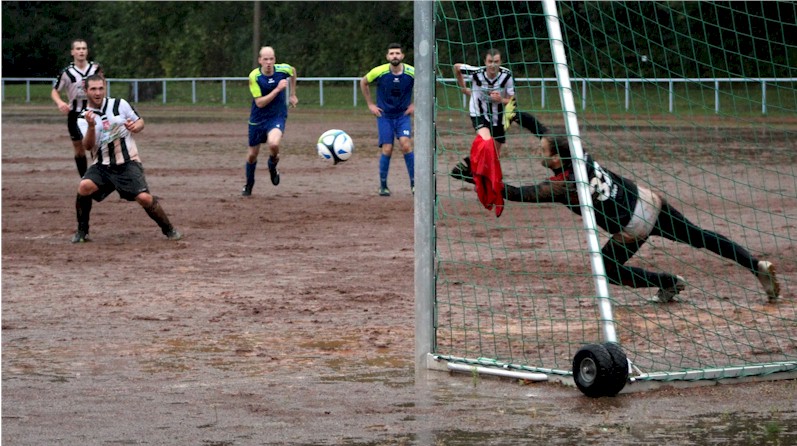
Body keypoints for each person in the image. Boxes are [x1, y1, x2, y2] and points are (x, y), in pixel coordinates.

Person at [450, 111, 781, 303]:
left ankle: (668, 281)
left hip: (632, 225)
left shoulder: (563, 186)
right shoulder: (576, 154)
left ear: (554, 158)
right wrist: (516, 114)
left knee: (609, 269)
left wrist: (474, 177)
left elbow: (518, 193)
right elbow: (544, 131)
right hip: (648, 200)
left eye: (543, 150)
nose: (540, 148)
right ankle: (755, 266)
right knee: (700, 236)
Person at [71, 74, 182, 243]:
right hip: (102, 165)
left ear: (105, 88)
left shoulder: (120, 104)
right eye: (93, 89)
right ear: (86, 91)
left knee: (144, 198)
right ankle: (82, 232)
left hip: (127, 162)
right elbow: (87, 146)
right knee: (84, 186)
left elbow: (140, 122)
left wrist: (135, 127)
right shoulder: (83, 117)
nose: (97, 92)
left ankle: (169, 229)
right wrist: (92, 127)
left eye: (101, 88)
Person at [360, 43, 415, 197]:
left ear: (402, 56)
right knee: (387, 149)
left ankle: (414, 184)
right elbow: (363, 82)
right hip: (384, 116)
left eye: (397, 53)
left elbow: (428, 83)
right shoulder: (379, 71)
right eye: (391, 53)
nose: (395, 56)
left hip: (402, 115)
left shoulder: (412, 72)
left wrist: (415, 104)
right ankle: (383, 186)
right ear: (387, 57)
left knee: (406, 145)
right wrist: (370, 104)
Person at [242, 46, 298, 196]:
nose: (268, 62)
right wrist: (278, 90)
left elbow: (293, 71)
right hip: (258, 119)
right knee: (252, 155)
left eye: (271, 59)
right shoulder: (254, 77)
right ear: (260, 60)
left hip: (277, 117)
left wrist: (293, 94)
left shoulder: (282, 69)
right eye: (265, 59)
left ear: (275, 60)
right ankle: (249, 184)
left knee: (273, 144)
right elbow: (260, 103)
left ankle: (272, 165)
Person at [51, 38, 103, 178]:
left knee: (96, 146)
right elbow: (55, 91)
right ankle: (84, 179)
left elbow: (103, 86)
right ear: (72, 52)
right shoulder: (67, 73)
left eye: (84, 48)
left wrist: (103, 102)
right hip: (74, 113)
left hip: (93, 112)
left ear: (87, 51)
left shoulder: (95, 69)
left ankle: (97, 178)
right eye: (78, 49)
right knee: (79, 148)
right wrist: (60, 102)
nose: (81, 51)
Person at [453, 48, 516, 157]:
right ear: (485, 62)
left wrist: (500, 99)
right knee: (487, 142)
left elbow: (512, 100)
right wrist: (463, 88)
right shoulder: (476, 72)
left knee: (495, 155)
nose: (493, 65)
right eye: (490, 62)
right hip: (478, 113)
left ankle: (487, 171)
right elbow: (456, 67)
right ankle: (473, 163)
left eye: (496, 62)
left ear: (500, 62)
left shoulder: (507, 75)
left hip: (499, 117)